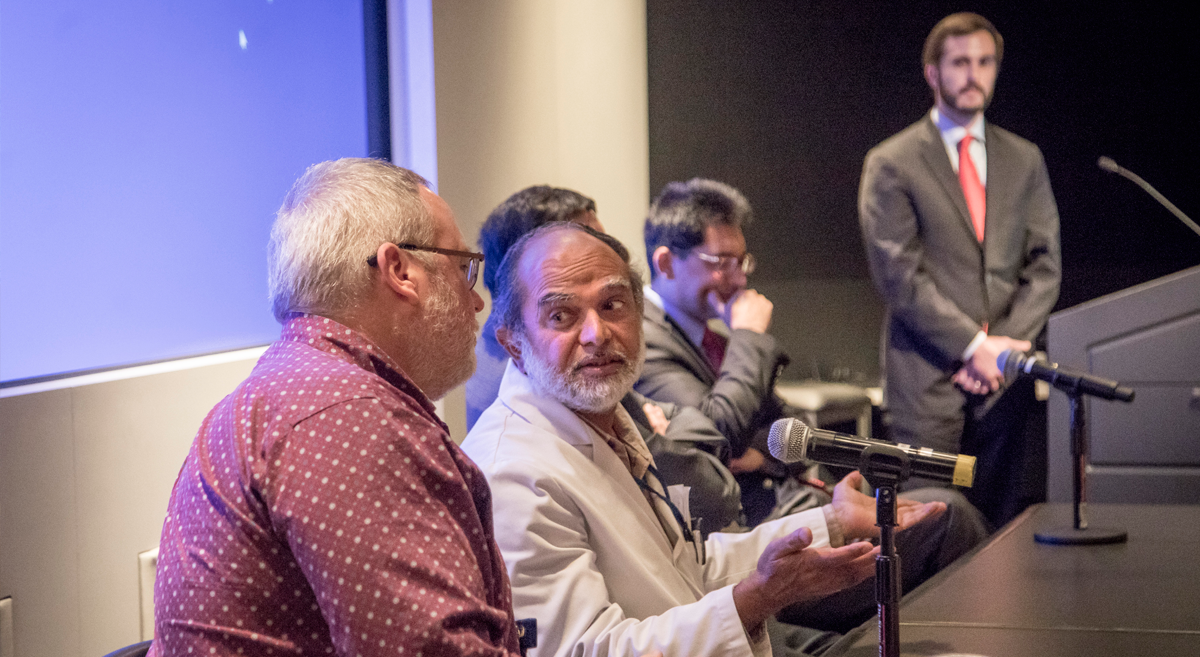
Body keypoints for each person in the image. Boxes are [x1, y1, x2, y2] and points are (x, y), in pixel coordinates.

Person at [463, 223, 985, 657]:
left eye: (614, 305)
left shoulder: (598, 415)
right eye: (562, 315)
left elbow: (686, 568)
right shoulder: (514, 471)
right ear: (513, 341)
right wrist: (752, 601)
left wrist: (832, 523)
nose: (597, 333)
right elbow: (587, 650)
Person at [149, 159, 522, 656]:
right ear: (401, 271)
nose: (477, 303)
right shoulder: (350, 415)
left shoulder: (286, 391)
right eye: (463, 268)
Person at [858, 12, 1061, 526]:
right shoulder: (893, 161)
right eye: (960, 62)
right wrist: (975, 347)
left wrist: (1004, 348)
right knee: (932, 526)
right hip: (927, 379)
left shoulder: (1024, 158)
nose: (974, 74)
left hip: (1005, 383)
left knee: (1000, 532)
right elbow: (898, 276)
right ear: (933, 73)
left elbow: (1045, 266)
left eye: (985, 62)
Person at [466, 185, 742, 534]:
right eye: (585, 238)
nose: (596, 333)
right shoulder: (550, 383)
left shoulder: (565, 362)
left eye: (611, 304)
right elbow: (712, 493)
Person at [636, 178, 830, 526]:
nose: (739, 279)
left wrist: (759, 454)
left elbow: (796, 428)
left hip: (781, 502)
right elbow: (715, 435)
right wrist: (747, 335)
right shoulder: (641, 340)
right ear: (665, 263)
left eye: (742, 262)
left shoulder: (715, 337)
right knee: (948, 516)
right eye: (722, 262)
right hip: (734, 528)